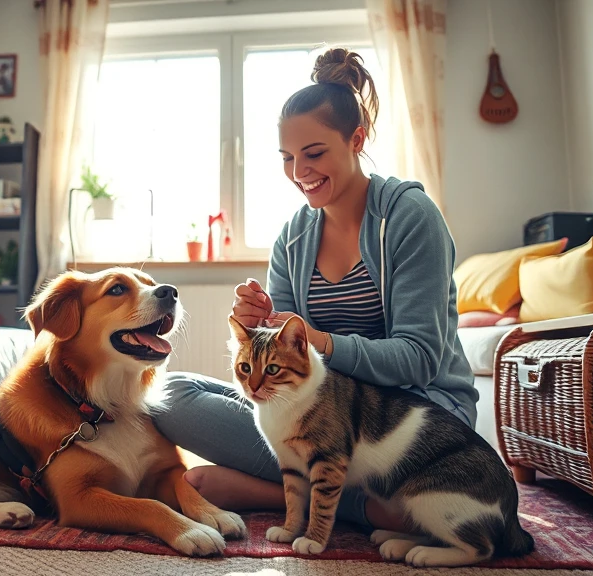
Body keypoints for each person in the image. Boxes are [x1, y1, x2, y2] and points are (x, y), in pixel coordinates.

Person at [150, 47, 477, 531]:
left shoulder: (410, 218)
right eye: (287, 158)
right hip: (320, 418)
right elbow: (289, 360)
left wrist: (323, 343)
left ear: (356, 139)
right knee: (171, 393)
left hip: (406, 418)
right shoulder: (293, 238)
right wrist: (260, 321)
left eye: (315, 153)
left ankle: (294, 496)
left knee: (331, 435)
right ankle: (353, 501)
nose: (299, 172)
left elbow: (419, 358)